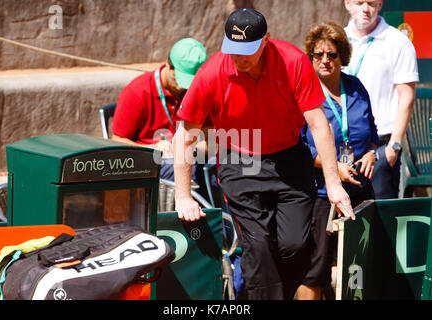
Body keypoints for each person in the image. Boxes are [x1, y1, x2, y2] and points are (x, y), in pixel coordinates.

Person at [172, 8, 355, 300]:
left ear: (266, 40)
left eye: (247, 50)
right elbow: (185, 133)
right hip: (238, 161)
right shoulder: (211, 72)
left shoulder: (293, 61)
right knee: (258, 249)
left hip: (289, 159)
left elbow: (319, 125)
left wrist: (333, 184)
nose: (239, 57)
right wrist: (183, 195)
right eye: (233, 49)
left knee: (294, 245)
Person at [297, 21, 379, 300]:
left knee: (362, 263)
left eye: (332, 54)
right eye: (318, 55)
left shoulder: (356, 87)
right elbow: (298, 146)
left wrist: (372, 152)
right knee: (316, 269)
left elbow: (372, 130)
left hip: (359, 189)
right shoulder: (303, 91)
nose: (325, 60)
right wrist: (332, 167)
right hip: (320, 194)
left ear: (342, 56)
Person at [343, 0, 419, 199]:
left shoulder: (397, 41)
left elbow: (407, 97)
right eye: (359, 2)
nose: (365, 9)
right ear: (347, 4)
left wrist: (394, 146)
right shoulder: (338, 41)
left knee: (382, 221)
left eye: (371, 3)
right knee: (343, 223)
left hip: (381, 148)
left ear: (380, 4)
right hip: (343, 147)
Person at [111, 37, 208, 182]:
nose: (185, 88)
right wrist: (151, 149)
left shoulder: (198, 89)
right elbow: (117, 140)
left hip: (191, 155)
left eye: (191, 81)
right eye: (181, 80)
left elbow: (211, 132)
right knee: (192, 172)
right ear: (169, 65)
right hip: (153, 162)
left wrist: (197, 147)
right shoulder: (137, 91)